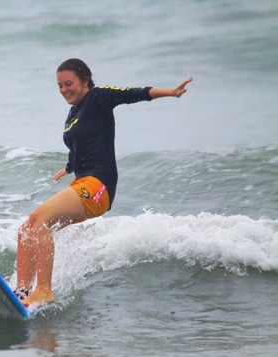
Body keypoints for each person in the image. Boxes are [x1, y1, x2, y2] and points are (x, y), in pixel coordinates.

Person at [14, 58, 193, 307]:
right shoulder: (73, 113)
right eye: (59, 86)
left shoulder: (98, 97)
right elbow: (81, 144)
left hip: (99, 187)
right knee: (27, 229)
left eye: (69, 84)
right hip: (82, 184)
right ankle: (21, 292)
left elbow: (134, 94)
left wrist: (171, 92)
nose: (64, 90)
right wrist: (69, 166)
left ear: (85, 80)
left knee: (39, 217)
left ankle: (44, 290)